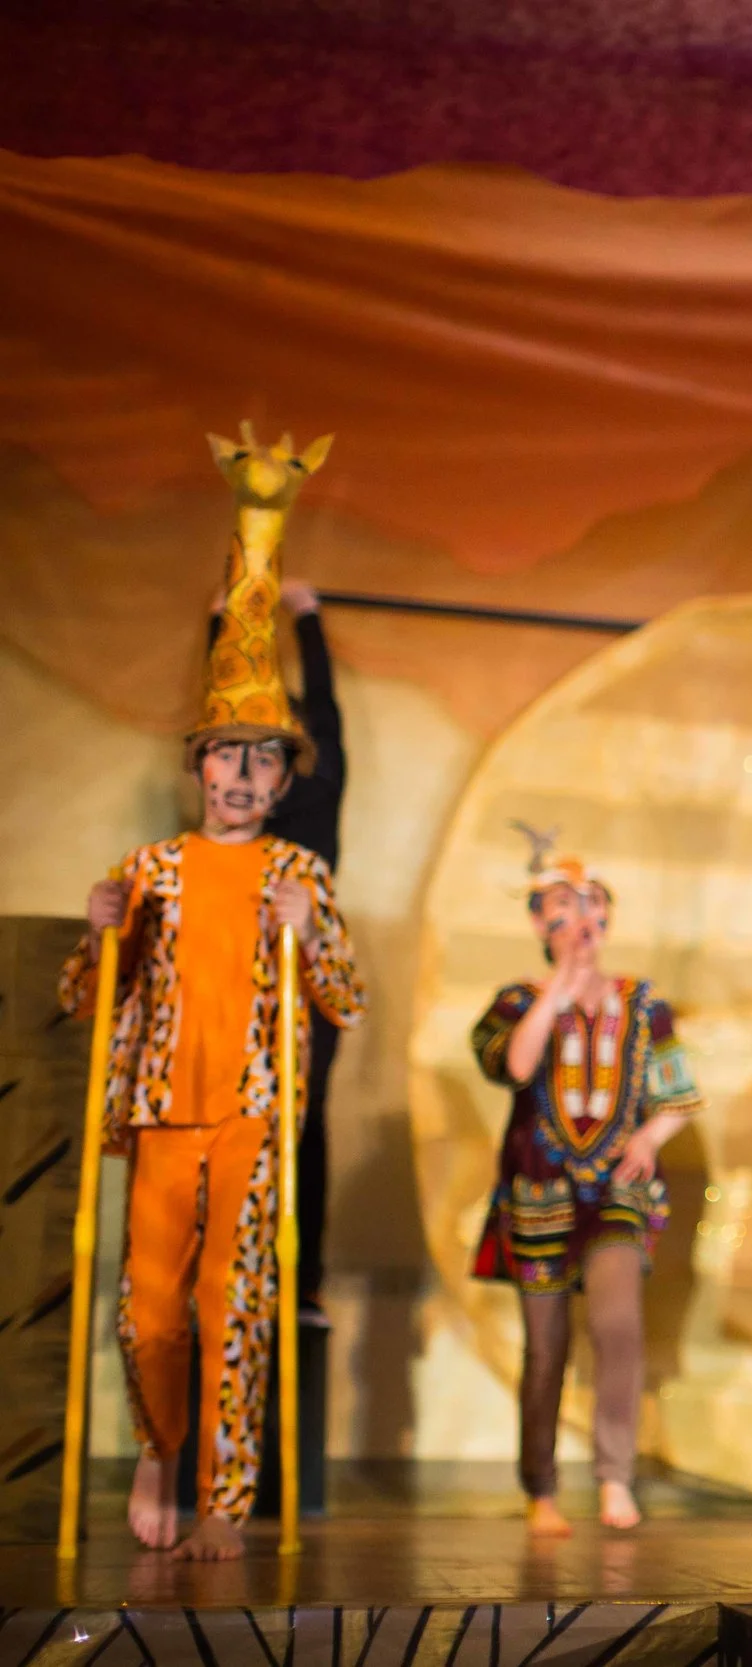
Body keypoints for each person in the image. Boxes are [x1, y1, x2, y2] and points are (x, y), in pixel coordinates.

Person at [59, 426, 364, 1561]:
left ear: (285, 781)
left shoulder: (299, 871)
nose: (241, 774)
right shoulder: (147, 868)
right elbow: (85, 998)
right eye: (226, 754)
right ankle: (159, 1446)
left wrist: (308, 934)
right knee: (150, 1308)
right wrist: (100, 935)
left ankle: (226, 1494)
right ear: (197, 764)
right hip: (159, 1111)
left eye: (263, 758)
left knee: (232, 1303)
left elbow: (346, 995)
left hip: (252, 1112)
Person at [470, 831, 702, 1538]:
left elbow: (678, 1094)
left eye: (592, 904)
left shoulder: (641, 1002)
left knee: (617, 1323)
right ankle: (541, 1487)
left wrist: (648, 1137)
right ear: (540, 923)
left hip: (617, 1188)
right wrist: (557, 993)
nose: (581, 920)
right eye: (563, 908)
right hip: (538, 1189)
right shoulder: (517, 999)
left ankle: (614, 1476)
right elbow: (515, 1066)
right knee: (546, 1349)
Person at [211, 577, 347, 1306]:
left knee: (305, 1119)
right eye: (246, 750)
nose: (254, 765)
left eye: (271, 752)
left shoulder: (319, 793)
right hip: (238, 972)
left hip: (308, 972)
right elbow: (221, 706)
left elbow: (325, 709)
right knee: (230, 1117)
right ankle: (226, 1274)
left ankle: (302, 1283)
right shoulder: (235, 813)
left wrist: (307, 617)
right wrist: (223, 629)